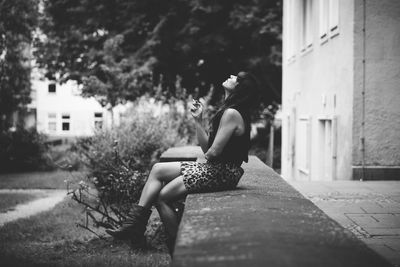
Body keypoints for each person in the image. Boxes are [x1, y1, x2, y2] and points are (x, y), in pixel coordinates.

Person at [106, 71, 260, 253]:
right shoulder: (228, 111)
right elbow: (207, 150)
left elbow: (213, 153)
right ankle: (136, 225)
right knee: (157, 170)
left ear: (240, 88)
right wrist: (198, 120)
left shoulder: (232, 113)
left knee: (162, 196)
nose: (232, 75)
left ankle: (176, 247)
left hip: (222, 172)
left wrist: (207, 158)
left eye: (237, 78)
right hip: (218, 169)